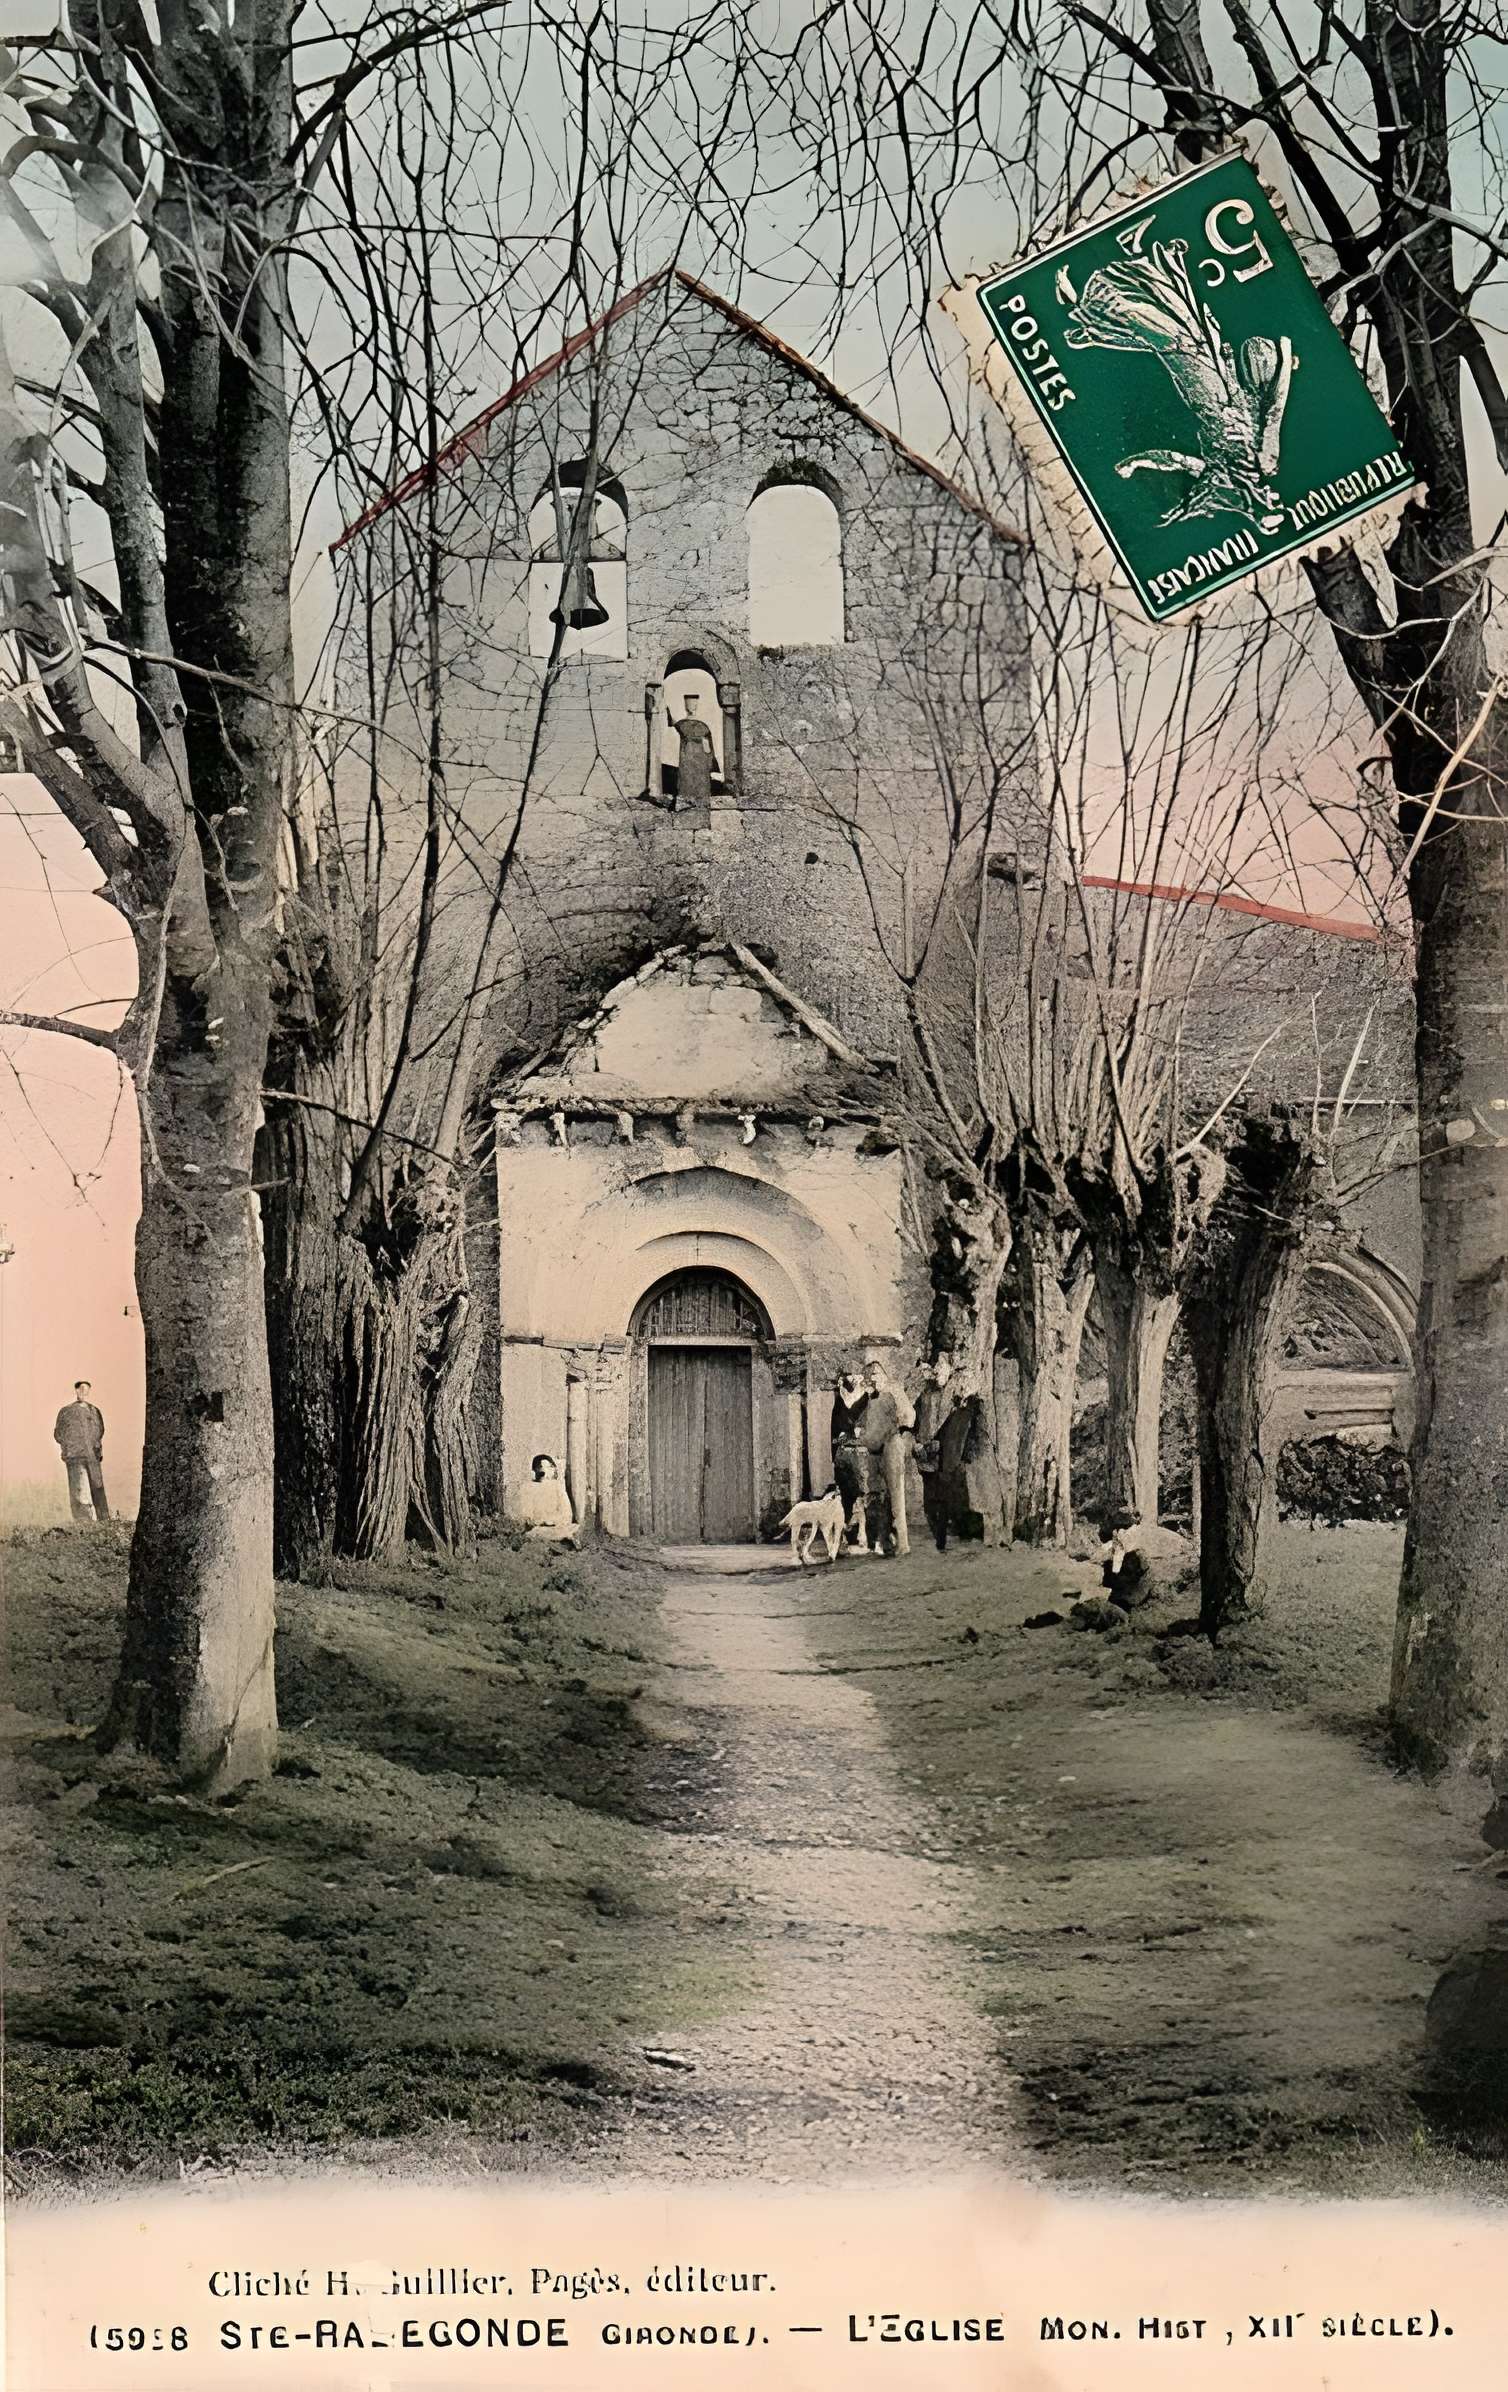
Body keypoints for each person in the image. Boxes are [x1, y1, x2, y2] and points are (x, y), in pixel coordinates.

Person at [861, 1355, 915, 1557]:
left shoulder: (892, 1392)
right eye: (870, 1375)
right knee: (880, 1495)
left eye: (876, 1373)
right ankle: (885, 1541)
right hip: (876, 1449)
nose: (873, 1378)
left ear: (884, 1374)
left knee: (896, 1494)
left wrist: (894, 1426)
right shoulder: (872, 1399)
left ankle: (903, 1542)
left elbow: (909, 1418)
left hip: (892, 1445)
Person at [911, 1353, 958, 1553]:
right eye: (937, 1366)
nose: (938, 1369)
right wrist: (917, 1442)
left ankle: (941, 1541)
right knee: (929, 1500)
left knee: (944, 1499)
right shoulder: (926, 1395)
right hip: (926, 1453)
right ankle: (938, 1535)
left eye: (942, 1365)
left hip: (945, 1454)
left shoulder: (954, 1396)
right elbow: (914, 1420)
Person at [54, 1379, 109, 1524]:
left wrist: (96, 1447)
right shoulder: (66, 1411)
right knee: (79, 1492)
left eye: (86, 1390)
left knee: (98, 1489)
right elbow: (58, 1433)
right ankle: (84, 1525)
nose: (83, 1392)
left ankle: (104, 1522)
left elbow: (100, 1430)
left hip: (92, 1455)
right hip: (75, 1457)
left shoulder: (95, 1411)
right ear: (76, 1391)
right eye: (81, 1390)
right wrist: (70, 1446)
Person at [830, 1369, 871, 1553]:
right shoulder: (839, 1402)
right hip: (843, 1456)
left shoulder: (867, 1401)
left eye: (856, 1377)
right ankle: (844, 1538)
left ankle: (866, 1536)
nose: (852, 1382)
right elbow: (833, 1431)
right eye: (849, 1378)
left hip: (861, 1457)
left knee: (864, 1495)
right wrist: (836, 1450)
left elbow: (870, 1429)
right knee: (845, 1495)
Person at [666, 691, 717, 814]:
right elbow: (672, 723)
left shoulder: (703, 726)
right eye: (688, 704)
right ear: (685, 706)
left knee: (700, 785)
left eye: (693, 704)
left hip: (700, 760)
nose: (690, 707)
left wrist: (710, 762)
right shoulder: (682, 724)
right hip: (687, 757)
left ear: (696, 706)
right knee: (686, 782)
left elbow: (708, 748)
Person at [515, 1453, 580, 1548]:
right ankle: (561, 1541)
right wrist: (544, 1521)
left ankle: (562, 1541)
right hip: (539, 1529)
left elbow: (567, 1513)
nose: (544, 1471)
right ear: (534, 1470)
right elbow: (527, 1517)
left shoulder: (557, 1487)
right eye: (541, 1467)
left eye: (549, 1467)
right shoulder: (527, 1488)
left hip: (559, 1527)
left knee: (575, 1528)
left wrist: (554, 1521)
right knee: (534, 1534)